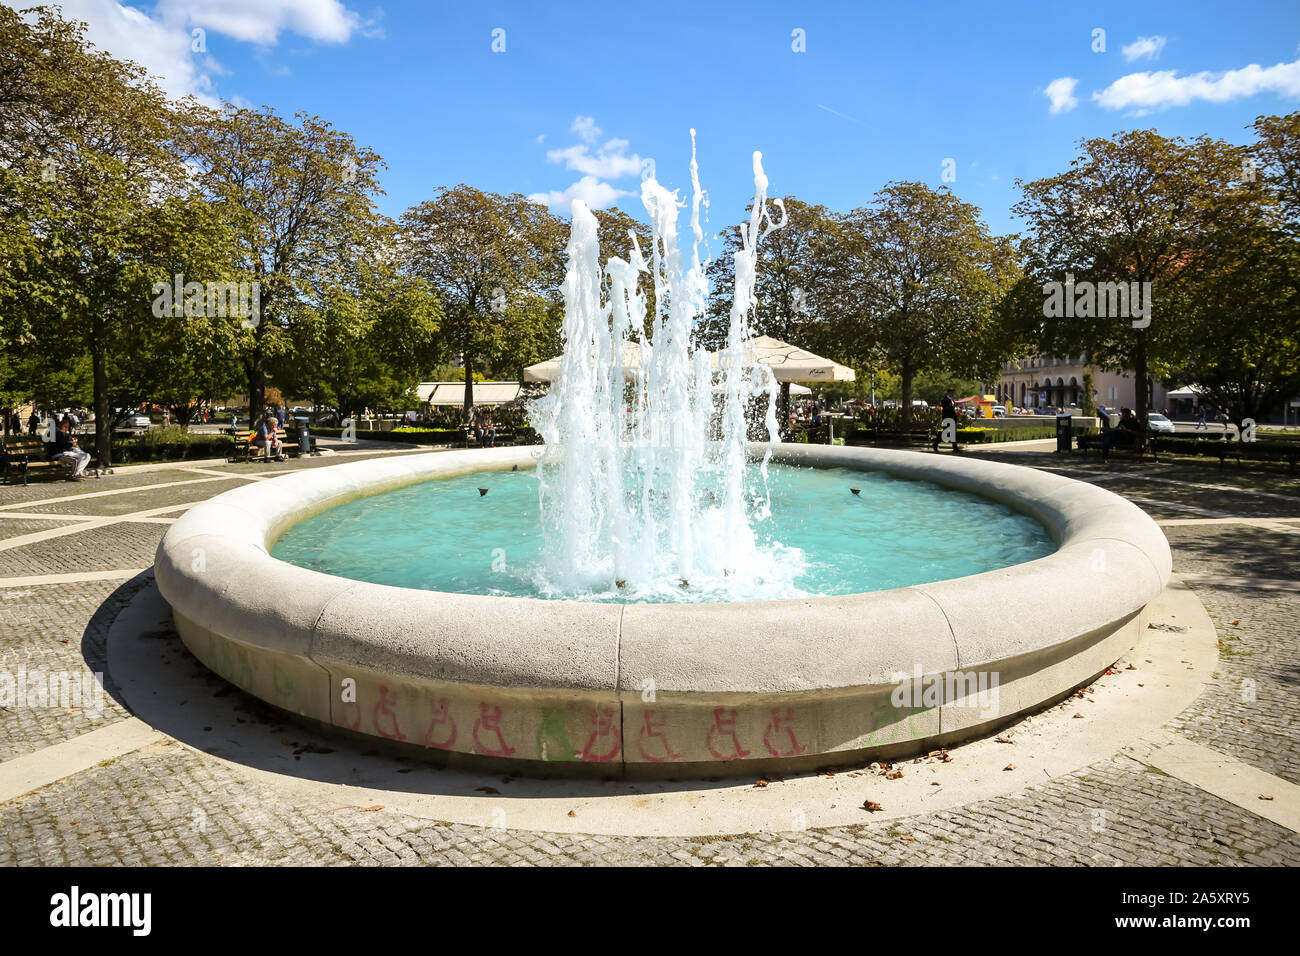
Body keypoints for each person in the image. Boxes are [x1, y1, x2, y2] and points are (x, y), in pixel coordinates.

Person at [933, 389, 960, 453]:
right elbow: (945, 409)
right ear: (949, 393)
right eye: (952, 393)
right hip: (947, 418)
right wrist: (952, 406)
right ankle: (935, 443)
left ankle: (955, 448)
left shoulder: (951, 400)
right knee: (946, 432)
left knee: (952, 433)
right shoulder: (944, 400)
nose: (953, 394)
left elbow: (952, 408)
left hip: (952, 418)